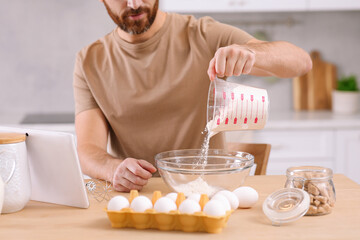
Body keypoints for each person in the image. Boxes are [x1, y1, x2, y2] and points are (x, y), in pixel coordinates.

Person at [73, 0, 312, 192]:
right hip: (137, 198)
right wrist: (113, 168)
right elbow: (88, 150)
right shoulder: (90, 61)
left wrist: (251, 52)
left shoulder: (203, 35)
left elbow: (301, 62)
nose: (134, 4)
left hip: (208, 193)